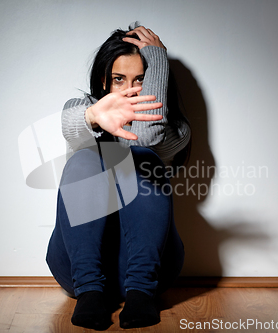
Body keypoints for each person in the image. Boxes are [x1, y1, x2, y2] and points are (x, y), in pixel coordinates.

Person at [46, 24, 191, 330]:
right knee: (86, 157)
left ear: (155, 82)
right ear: (103, 81)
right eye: (119, 80)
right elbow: (71, 126)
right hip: (77, 267)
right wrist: (94, 117)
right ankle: (89, 293)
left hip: (151, 271)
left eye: (141, 79)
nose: (130, 90)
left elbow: (144, 135)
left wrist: (158, 57)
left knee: (141, 157)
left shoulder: (174, 130)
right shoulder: (82, 109)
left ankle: (140, 294)